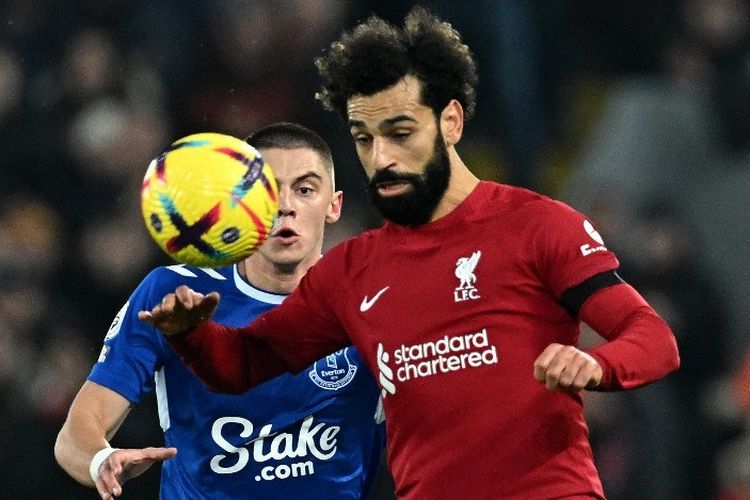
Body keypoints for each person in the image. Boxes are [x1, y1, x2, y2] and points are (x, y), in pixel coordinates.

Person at [140, 8, 680, 500]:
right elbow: (242, 364)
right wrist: (190, 335)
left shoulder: (536, 225)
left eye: (399, 132)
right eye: (363, 137)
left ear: (450, 121)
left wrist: (595, 363)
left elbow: (653, 338)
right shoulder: (350, 272)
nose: (381, 158)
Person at [54, 122, 385, 499]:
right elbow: (74, 435)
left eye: (305, 190)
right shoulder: (175, 296)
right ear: (238, 199)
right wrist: (101, 460)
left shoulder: (371, 300)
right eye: (268, 192)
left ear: (334, 206)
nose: (285, 207)